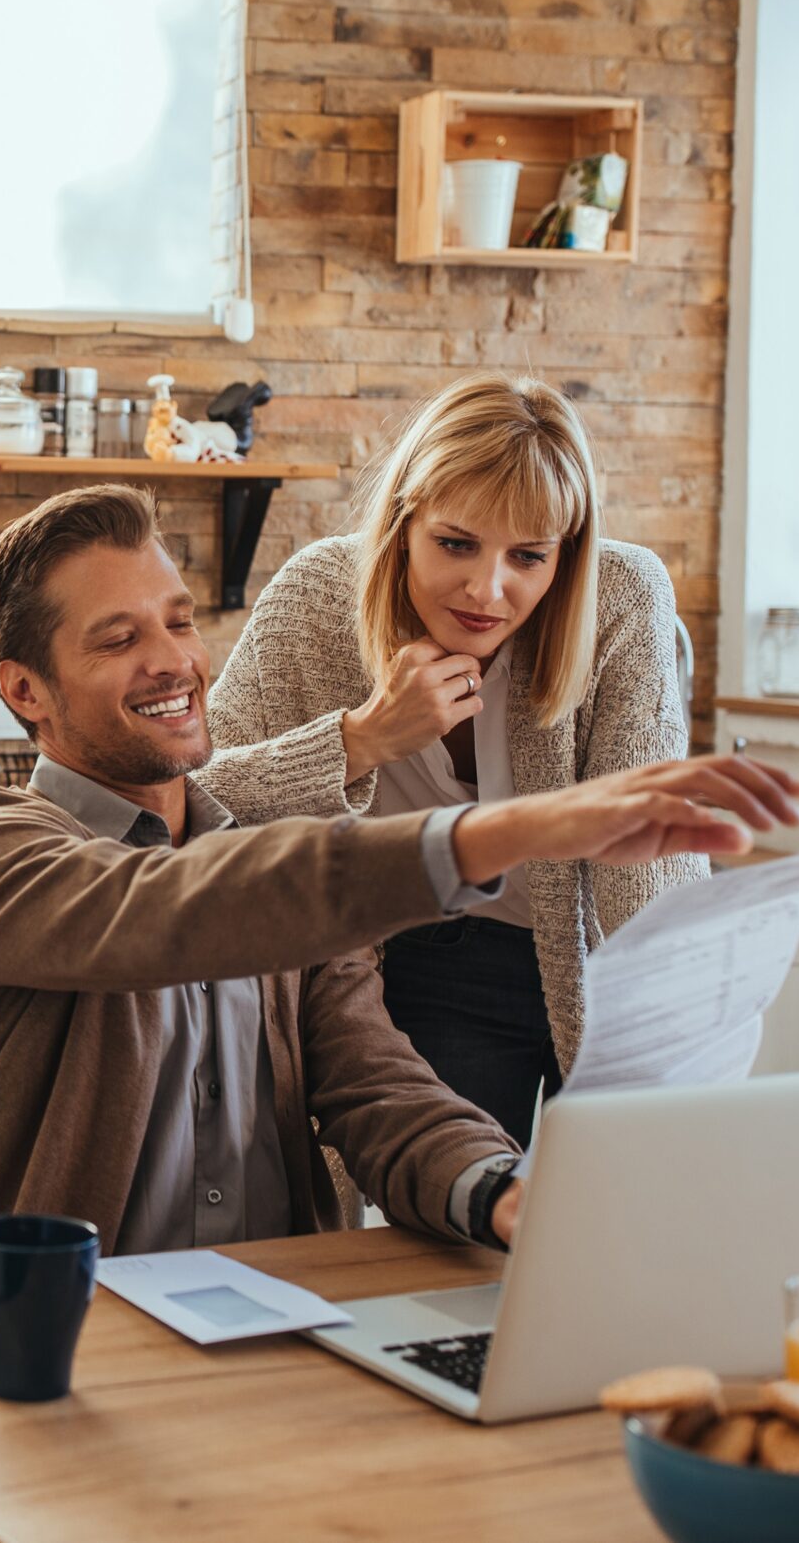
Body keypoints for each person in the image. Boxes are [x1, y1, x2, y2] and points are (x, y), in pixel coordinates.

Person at [0, 485, 799, 1281]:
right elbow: (170, 910)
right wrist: (518, 826)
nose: (174, 662)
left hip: (265, 1336)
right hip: (32, 1344)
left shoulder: (278, 850)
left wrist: (503, 1191)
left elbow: (378, 1086)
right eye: (118, 640)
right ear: (25, 691)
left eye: (181, 622)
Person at [200, 373, 696, 1148]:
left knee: (622, 1229)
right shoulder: (317, 599)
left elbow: (642, 856)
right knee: (458, 1227)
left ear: (566, 555)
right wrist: (358, 739)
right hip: (430, 956)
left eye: (528, 556)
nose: (486, 589)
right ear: (403, 523)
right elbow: (196, 806)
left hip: (602, 958)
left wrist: (690, 1007)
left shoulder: (624, 598)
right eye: (455, 543)